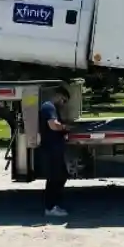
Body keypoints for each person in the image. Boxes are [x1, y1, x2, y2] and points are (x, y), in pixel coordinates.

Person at [39, 85, 71, 217]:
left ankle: (54, 204)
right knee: (54, 178)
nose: (63, 104)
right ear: (58, 95)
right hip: (52, 148)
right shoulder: (49, 107)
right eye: (63, 100)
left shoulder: (51, 108)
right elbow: (53, 125)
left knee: (61, 176)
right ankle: (50, 207)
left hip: (54, 147)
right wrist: (66, 127)